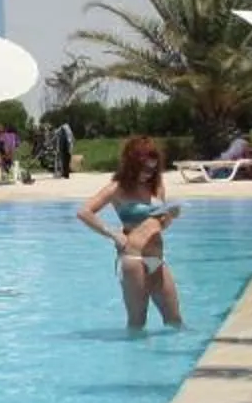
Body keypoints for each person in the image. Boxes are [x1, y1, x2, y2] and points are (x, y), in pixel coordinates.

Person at [78, 134, 185, 330]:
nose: (148, 173)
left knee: (175, 320)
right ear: (132, 164)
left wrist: (170, 216)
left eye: (152, 169)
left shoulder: (157, 187)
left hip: (157, 258)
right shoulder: (117, 189)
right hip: (133, 258)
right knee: (138, 322)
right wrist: (112, 233)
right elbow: (84, 212)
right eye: (144, 169)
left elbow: (160, 224)